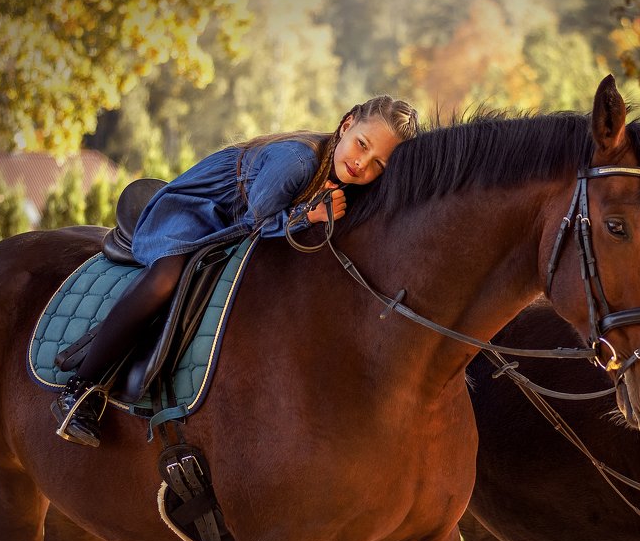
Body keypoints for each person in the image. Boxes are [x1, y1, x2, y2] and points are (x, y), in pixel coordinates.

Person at [52, 95, 419, 447]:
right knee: (165, 279)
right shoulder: (297, 160)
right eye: (362, 145)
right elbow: (254, 223)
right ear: (347, 124)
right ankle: (80, 389)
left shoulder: (344, 177)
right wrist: (307, 216)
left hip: (229, 224)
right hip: (195, 212)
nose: (362, 164)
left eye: (378, 164)